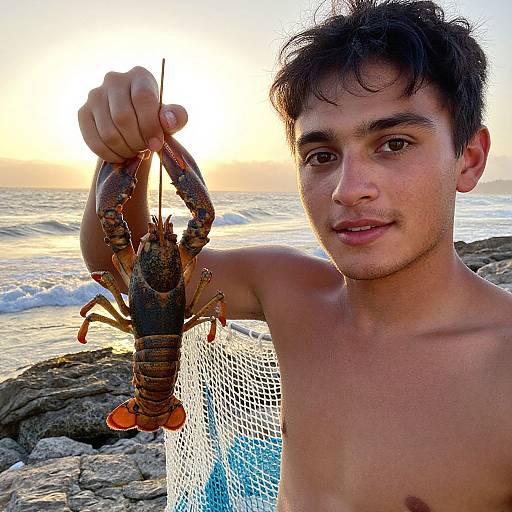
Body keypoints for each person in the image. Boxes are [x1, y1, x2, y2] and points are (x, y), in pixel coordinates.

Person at [78, 0, 512, 510]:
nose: (349, 190)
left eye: (394, 144)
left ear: (470, 159)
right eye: (321, 156)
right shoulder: (286, 289)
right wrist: (125, 148)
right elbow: (112, 264)